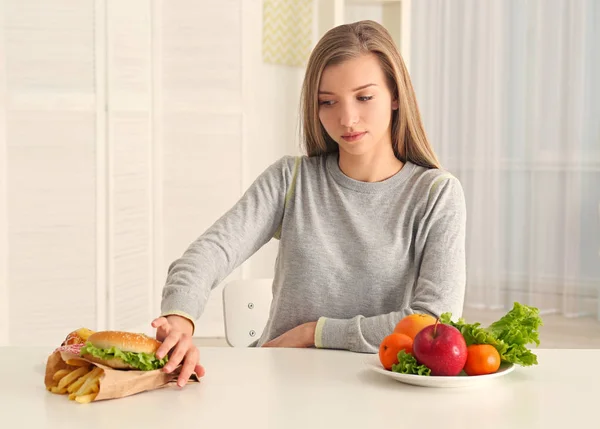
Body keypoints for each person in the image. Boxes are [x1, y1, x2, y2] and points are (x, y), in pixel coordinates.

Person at [151, 20, 466, 387]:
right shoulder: (291, 179)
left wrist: (316, 333)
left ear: (395, 96)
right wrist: (180, 318)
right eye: (327, 102)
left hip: (383, 388)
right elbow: (213, 250)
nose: (346, 119)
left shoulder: (435, 194)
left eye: (364, 97)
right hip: (283, 381)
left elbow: (433, 322)